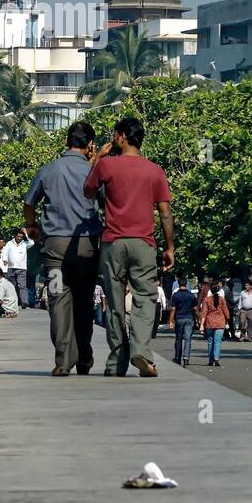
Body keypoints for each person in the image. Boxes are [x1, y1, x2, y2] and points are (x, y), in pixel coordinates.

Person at [84, 117, 174, 378]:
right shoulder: (155, 171)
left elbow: (88, 191)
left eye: (114, 134)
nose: (112, 139)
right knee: (145, 299)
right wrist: (170, 247)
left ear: (122, 136)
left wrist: (99, 158)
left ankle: (116, 361)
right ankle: (141, 352)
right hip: (144, 244)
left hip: (113, 243)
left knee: (113, 303)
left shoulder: (108, 166)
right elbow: (165, 214)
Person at [168, 274, 197, 366]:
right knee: (188, 339)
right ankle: (186, 357)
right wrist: (200, 317)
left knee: (179, 339)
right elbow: (195, 308)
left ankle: (177, 357)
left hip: (179, 318)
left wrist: (171, 321)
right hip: (189, 318)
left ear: (178, 284)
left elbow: (173, 309)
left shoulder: (176, 296)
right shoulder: (191, 295)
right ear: (187, 284)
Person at [198, 281, 229, 367]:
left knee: (210, 341)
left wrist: (201, 325)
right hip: (220, 323)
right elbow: (226, 312)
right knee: (217, 342)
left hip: (209, 323)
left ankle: (210, 360)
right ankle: (216, 359)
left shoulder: (207, 300)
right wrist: (227, 320)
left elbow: (204, 313)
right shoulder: (222, 299)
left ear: (210, 291)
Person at [2, 229, 34, 309]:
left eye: (21, 237)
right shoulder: (9, 243)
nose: (19, 238)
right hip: (11, 268)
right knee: (12, 286)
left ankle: (24, 302)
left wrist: (26, 233)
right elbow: (5, 252)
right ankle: (13, 302)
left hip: (22, 268)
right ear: (15, 236)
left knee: (22, 286)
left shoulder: (25, 244)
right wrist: (5, 260)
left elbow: (32, 242)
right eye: (18, 236)